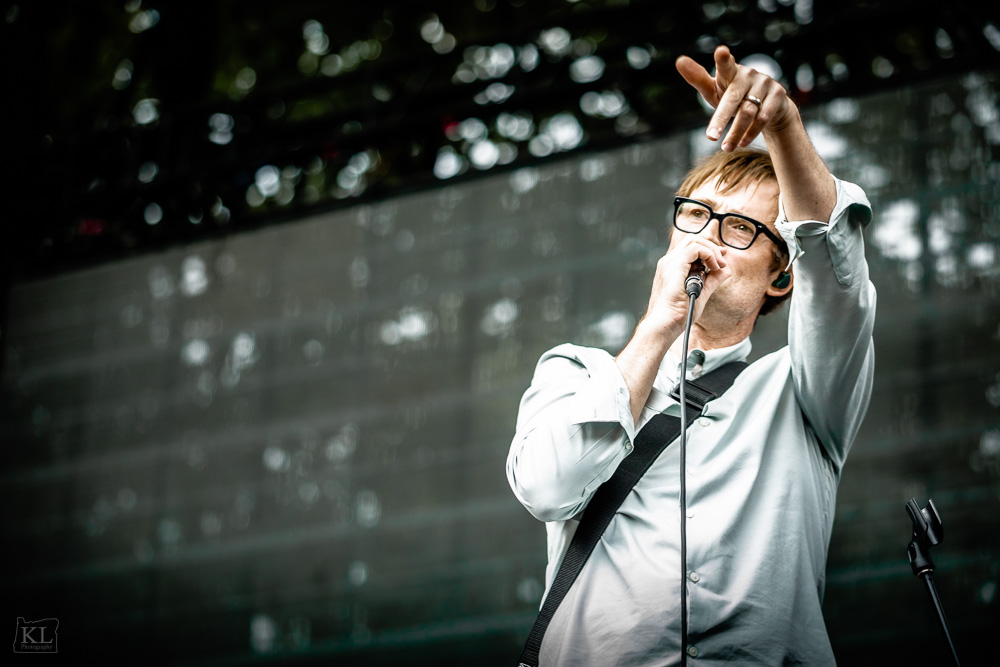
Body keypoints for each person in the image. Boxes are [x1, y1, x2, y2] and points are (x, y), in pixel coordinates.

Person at [506, 45, 876, 665]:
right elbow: (546, 486)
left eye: (739, 230)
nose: (710, 240)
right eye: (696, 216)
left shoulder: (804, 391)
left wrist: (783, 126)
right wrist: (659, 324)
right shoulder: (576, 372)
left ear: (779, 277)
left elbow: (836, 274)